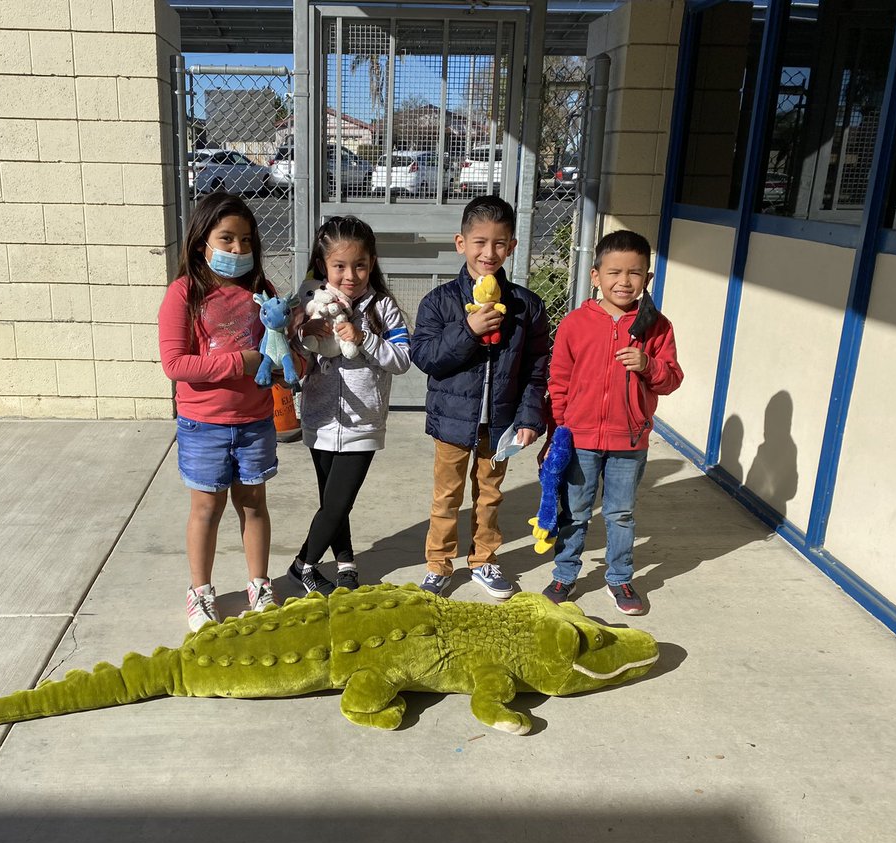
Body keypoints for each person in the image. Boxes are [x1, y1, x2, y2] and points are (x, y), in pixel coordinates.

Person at [158, 192, 292, 631]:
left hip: (255, 422)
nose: (238, 249)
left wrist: (287, 363)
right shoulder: (184, 294)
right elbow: (175, 365)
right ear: (203, 242)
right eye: (227, 239)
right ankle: (200, 592)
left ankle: (260, 585)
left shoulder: (262, 292)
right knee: (207, 509)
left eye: (246, 240)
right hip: (203, 425)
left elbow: (278, 348)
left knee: (254, 505)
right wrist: (243, 362)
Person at [410, 195, 550, 599]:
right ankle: (439, 563)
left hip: (501, 423)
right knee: (447, 496)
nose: (490, 252)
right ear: (461, 243)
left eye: (500, 243)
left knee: (489, 494)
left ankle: (484, 559)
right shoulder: (439, 302)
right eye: (480, 242)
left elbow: (536, 366)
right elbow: (426, 357)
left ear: (513, 247)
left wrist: (528, 418)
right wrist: (468, 330)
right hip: (453, 420)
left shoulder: (526, 306)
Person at [542, 229, 683, 616]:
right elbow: (559, 381)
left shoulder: (656, 326)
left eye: (635, 273)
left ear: (647, 279)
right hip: (582, 437)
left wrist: (649, 365)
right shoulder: (575, 324)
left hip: (629, 439)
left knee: (621, 513)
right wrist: (558, 432)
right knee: (576, 511)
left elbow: (672, 378)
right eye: (614, 272)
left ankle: (619, 578)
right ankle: (564, 574)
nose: (624, 281)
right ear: (595, 275)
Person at [288, 215, 411, 594]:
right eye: (339, 266)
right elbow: (288, 355)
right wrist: (300, 333)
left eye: (359, 265)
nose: (350, 275)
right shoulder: (308, 299)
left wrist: (365, 338)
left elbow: (403, 359)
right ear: (323, 264)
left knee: (338, 501)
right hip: (320, 418)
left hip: (363, 423)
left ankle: (303, 564)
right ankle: (345, 561)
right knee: (332, 502)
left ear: (372, 262)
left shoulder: (383, 307)